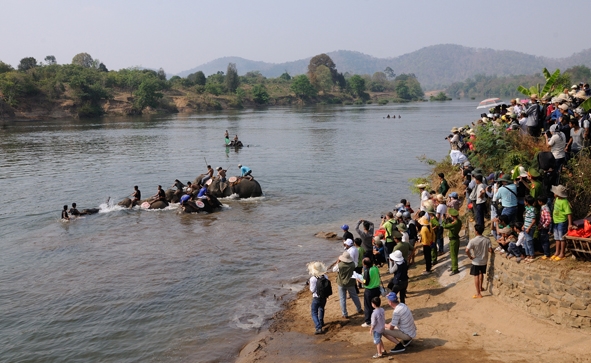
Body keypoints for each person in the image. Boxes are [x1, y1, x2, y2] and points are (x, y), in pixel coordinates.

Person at [332, 251, 363, 319]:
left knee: (342, 298)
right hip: (351, 282)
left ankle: (344, 313)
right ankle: (359, 309)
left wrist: (338, 262)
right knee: (354, 296)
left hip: (341, 283)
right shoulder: (353, 264)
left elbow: (333, 270)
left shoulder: (339, 265)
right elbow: (356, 264)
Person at [465, 223, 492, 299]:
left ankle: (478, 293)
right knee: (481, 274)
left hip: (476, 261)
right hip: (484, 261)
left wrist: (470, 257)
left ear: (476, 231)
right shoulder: (487, 240)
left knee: (476, 276)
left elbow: (467, 250)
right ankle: (480, 287)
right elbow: (490, 250)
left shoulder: (473, 241)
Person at [358, 257, 381, 328]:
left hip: (369, 290)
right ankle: (376, 319)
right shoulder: (376, 268)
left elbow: (366, 282)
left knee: (368, 306)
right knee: (375, 305)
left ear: (365, 265)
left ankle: (368, 322)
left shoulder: (367, 271)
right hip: (377, 289)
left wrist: (359, 280)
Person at [551, 185, 572, 261]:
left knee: (562, 238)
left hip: (562, 221)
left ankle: (562, 253)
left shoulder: (565, 202)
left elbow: (569, 213)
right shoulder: (556, 199)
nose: (554, 193)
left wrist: (570, 224)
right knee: (556, 237)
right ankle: (557, 251)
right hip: (556, 221)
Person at [307, 261, 328, 335]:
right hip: (324, 297)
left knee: (314, 312)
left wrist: (309, 285)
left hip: (316, 297)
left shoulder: (313, 279)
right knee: (321, 309)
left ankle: (318, 327)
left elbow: (312, 290)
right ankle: (321, 322)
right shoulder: (325, 276)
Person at [442, 208, 462, 275]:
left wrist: (443, 220)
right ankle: (453, 266)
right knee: (454, 254)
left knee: (453, 255)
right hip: (456, 239)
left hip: (453, 240)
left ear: (453, 216)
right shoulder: (459, 222)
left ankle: (455, 269)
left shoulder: (454, 223)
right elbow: (451, 223)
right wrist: (448, 219)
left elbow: (445, 226)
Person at [522, 195, 537, 262]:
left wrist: (529, 227)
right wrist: (524, 225)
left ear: (527, 202)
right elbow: (526, 219)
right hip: (526, 227)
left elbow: (533, 220)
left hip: (529, 228)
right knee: (525, 241)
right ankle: (527, 254)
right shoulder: (527, 209)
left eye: (524, 201)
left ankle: (532, 255)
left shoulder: (532, 210)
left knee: (529, 241)